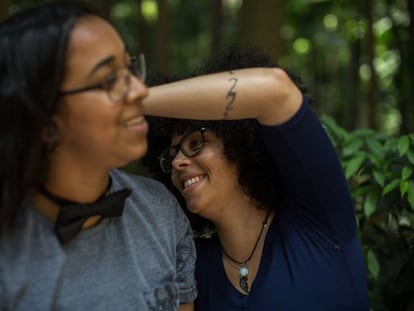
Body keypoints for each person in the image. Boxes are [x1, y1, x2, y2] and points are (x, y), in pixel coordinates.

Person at [0, 2, 196, 310]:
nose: (140, 91)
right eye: (108, 80)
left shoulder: (161, 212)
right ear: (44, 120)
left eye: (129, 68)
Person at [142, 47, 370, 310]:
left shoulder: (318, 219)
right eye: (171, 155)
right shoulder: (191, 266)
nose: (176, 162)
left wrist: (132, 99)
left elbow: (275, 91)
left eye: (195, 143)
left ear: (240, 146)